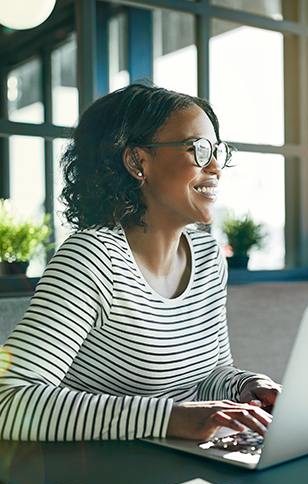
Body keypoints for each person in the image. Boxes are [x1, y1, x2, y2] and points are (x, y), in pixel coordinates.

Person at [0, 82, 281, 442]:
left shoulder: (208, 257)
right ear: (137, 161)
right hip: (97, 476)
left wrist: (246, 387)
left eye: (218, 151)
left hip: (182, 463)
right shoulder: (91, 259)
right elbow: (9, 398)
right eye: (198, 149)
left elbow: (211, 373)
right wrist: (169, 418)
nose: (215, 168)